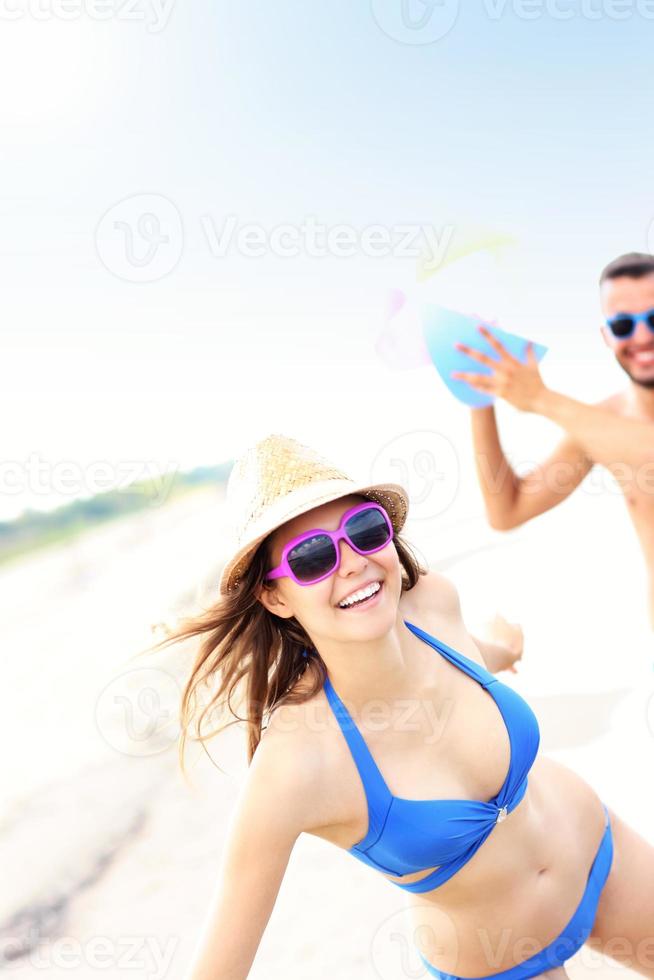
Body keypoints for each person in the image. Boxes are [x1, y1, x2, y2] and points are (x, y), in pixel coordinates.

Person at [157, 433, 654, 980]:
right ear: (275, 597)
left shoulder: (434, 604)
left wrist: (505, 645)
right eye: (312, 557)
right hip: (502, 964)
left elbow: (478, 652)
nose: (350, 563)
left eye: (365, 530)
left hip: (602, 854)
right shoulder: (295, 766)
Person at [450, 251, 654, 629]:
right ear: (606, 336)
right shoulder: (601, 423)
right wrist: (480, 392)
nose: (642, 336)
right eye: (624, 325)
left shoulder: (592, 424)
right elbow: (507, 511)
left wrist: (541, 399)